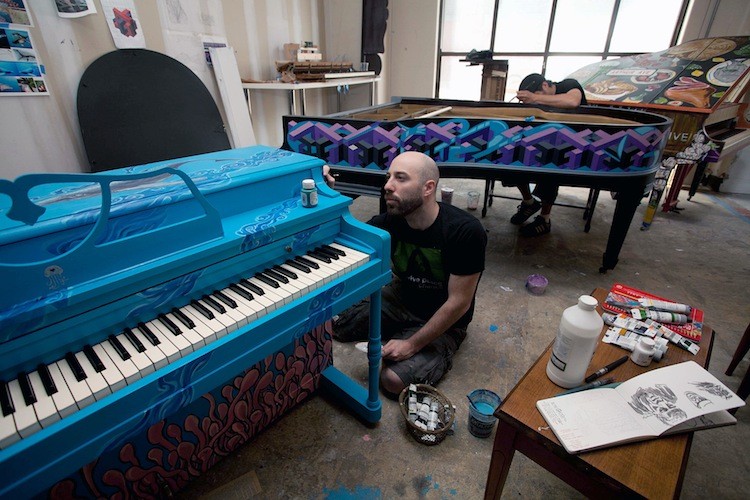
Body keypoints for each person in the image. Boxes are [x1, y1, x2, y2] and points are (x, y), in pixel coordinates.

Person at [333, 151, 487, 397]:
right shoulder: (390, 222)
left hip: (445, 317)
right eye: (388, 177)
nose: (387, 186)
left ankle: (412, 339)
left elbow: (459, 303)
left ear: (428, 188)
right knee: (339, 327)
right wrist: (324, 191)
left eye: (400, 178)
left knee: (392, 380)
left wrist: (411, 344)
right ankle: (397, 330)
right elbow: (341, 237)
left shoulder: (464, 231)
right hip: (402, 296)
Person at [509, 73, 588, 236]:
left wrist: (535, 99)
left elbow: (573, 101)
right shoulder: (538, 98)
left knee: (551, 166)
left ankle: (545, 219)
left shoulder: (569, 85)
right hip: (545, 140)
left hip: (573, 147)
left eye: (537, 96)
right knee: (510, 155)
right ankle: (528, 201)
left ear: (545, 85)